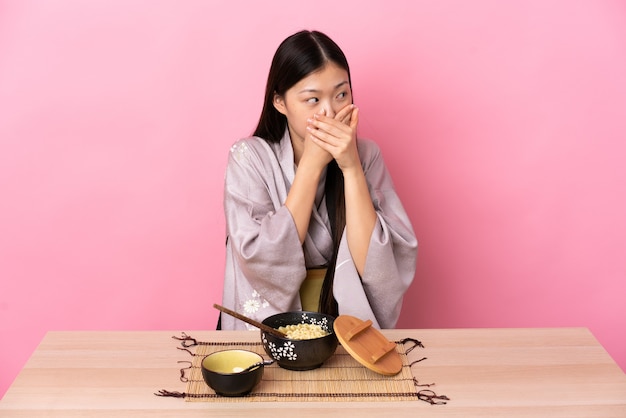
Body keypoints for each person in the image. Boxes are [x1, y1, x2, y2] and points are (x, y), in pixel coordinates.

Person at [219, 29, 417, 330]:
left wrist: (350, 167)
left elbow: (379, 267)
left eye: (341, 94)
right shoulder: (248, 157)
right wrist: (311, 165)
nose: (330, 111)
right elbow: (259, 259)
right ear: (280, 102)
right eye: (313, 99)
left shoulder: (367, 156)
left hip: (343, 321)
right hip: (271, 327)